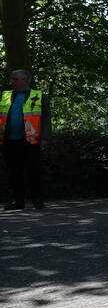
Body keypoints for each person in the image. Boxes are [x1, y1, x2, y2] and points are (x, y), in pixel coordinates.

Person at [0, 70, 52, 210]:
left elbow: (46, 119)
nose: (12, 81)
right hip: (9, 140)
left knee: (34, 172)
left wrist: (45, 138)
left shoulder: (40, 96)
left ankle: (38, 201)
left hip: (31, 141)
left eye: (15, 79)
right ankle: (18, 202)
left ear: (25, 80)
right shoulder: (5, 95)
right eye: (12, 79)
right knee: (14, 172)